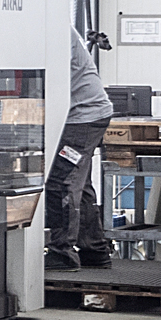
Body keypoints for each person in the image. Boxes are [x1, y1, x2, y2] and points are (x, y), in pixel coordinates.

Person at [46, 26, 116, 271]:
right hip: (85, 115)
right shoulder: (50, 26)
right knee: (80, 184)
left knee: (61, 182)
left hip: (82, 118)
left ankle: (62, 253)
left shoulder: (52, 29)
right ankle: (94, 250)